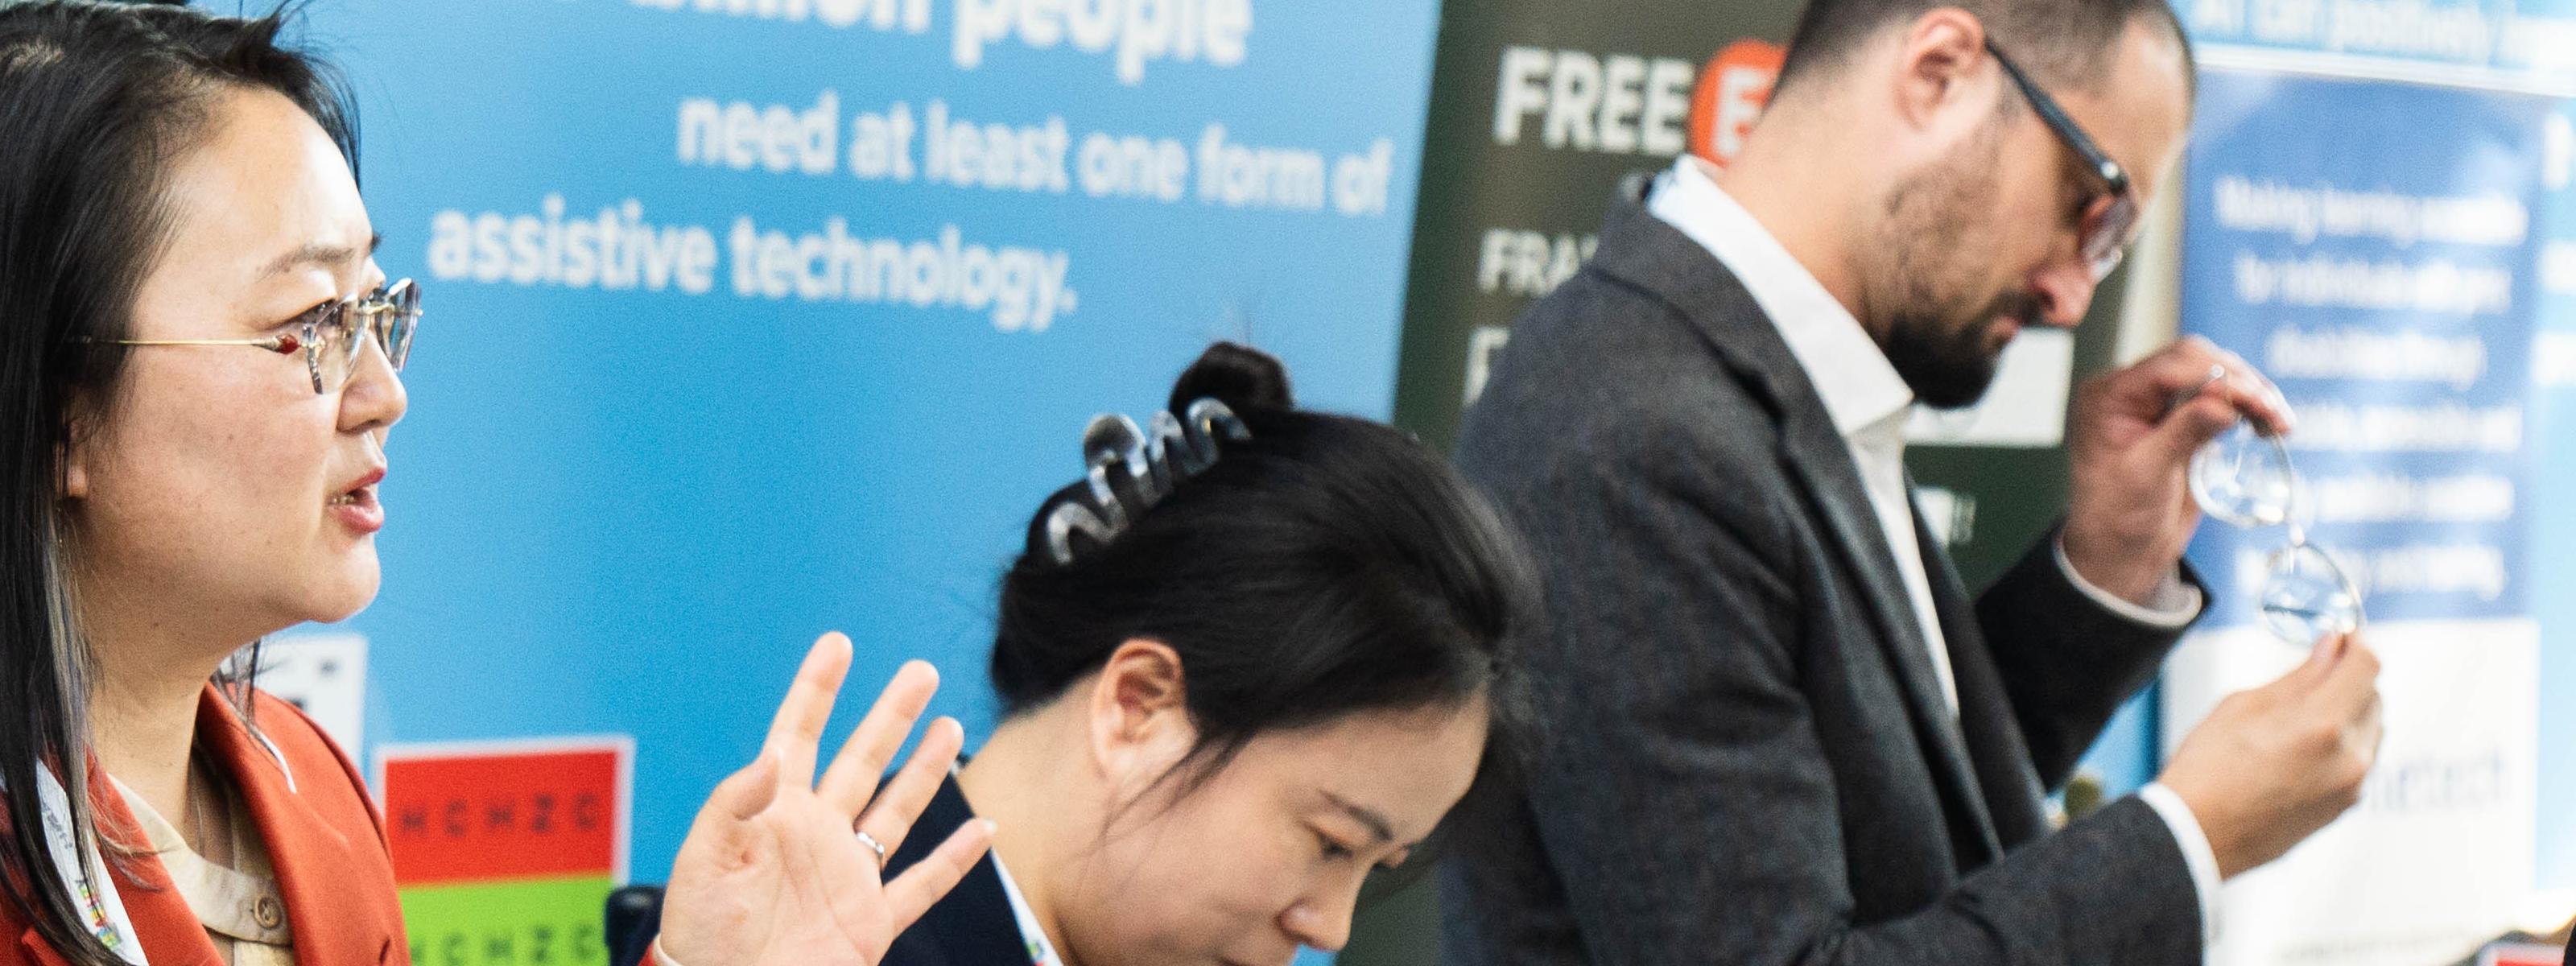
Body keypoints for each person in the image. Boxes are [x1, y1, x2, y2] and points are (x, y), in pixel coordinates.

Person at [0, 4, 987, 965]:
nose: (383, 395)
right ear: (54, 412)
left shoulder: (311, 794)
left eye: (373, 310)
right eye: (311, 322)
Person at [1442, 1, 2384, 963]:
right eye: (2087, 205)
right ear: (1938, 71)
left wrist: (2104, 568)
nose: (2071, 295)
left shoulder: (1755, 373)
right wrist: (2187, 839)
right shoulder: (1636, 430)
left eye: (2111, 243)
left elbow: (1902, 813)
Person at [871, 343, 1541, 966]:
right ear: (1138, 703)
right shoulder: (838, 943)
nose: (1330, 929)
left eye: (1375, 867)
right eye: (1332, 843)